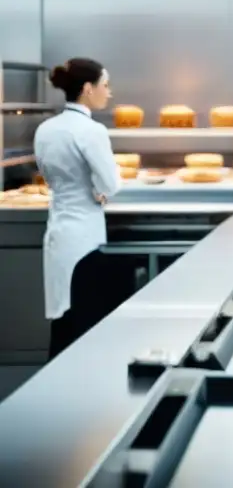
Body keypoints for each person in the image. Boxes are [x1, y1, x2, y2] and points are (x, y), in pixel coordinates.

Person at [34, 58, 130, 360]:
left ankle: (53, 383)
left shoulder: (46, 129)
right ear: (88, 89)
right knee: (86, 322)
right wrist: (100, 189)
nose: (109, 92)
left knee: (62, 322)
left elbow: (49, 176)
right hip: (85, 238)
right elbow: (111, 185)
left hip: (57, 234)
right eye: (105, 85)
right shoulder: (91, 130)